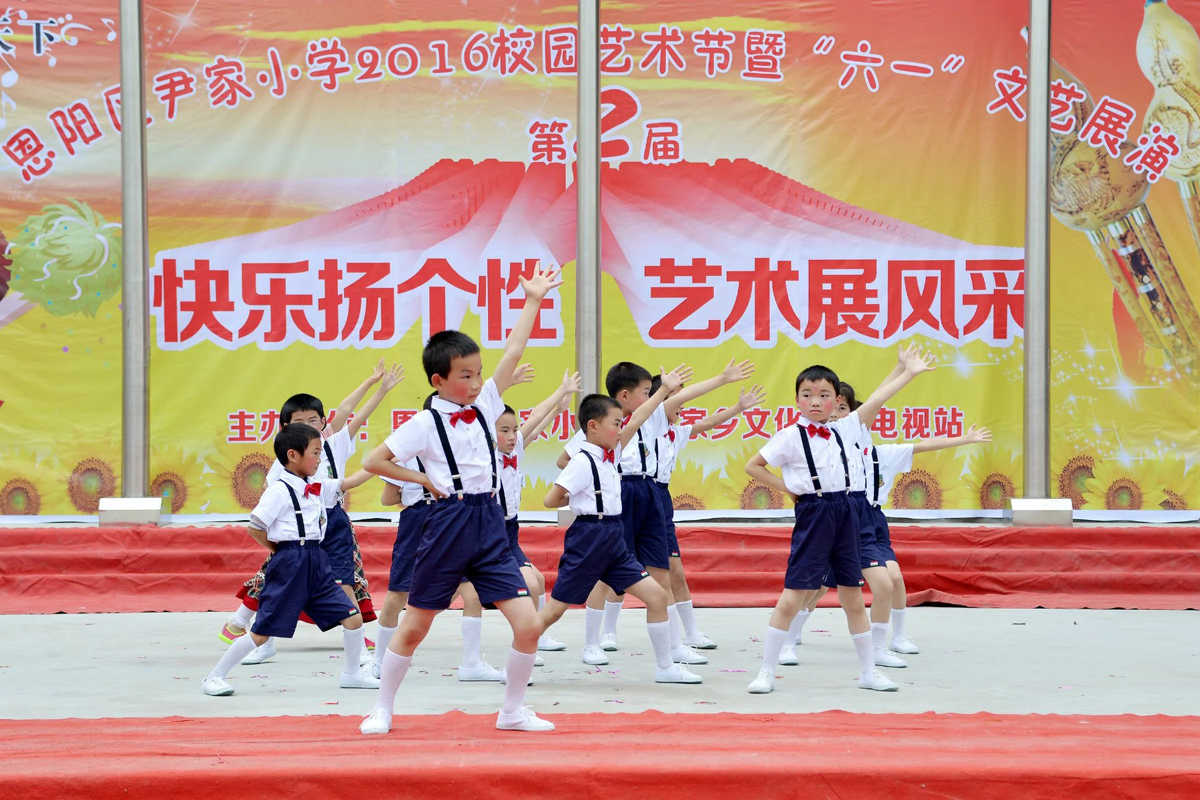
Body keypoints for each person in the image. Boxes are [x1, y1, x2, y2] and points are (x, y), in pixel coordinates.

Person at [359, 264, 560, 735]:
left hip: (489, 522)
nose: (475, 383)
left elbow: (514, 351)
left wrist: (533, 300)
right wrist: (423, 480)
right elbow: (373, 460)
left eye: (478, 374)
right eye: (465, 376)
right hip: (446, 525)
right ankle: (382, 707)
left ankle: (512, 711)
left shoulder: (486, 405)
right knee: (415, 626)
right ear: (438, 380)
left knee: (528, 624)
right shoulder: (424, 423)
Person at [744, 346, 933, 694]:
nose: (815, 401)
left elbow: (877, 399)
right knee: (794, 594)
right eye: (807, 394)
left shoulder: (846, 429)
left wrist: (908, 372)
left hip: (849, 512)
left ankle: (868, 672)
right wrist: (789, 489)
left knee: (853, 596)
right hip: (814, 514)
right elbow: (753, 466)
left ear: (836, 401)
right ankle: (766, 671)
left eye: (823, 395)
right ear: (797, 400)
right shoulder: (789, 436)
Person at [221, 361, 404, 665]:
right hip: (299, 528)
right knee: (278, 583)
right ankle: (262, 640)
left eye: (313, 420)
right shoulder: (286, 460)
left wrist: (378, 387)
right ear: (286, 428)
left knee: (345, 584)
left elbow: (352, 413)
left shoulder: (335, 444)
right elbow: (270, 503)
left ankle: (357, 654)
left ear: (323, 422)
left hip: (333, 523)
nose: (308, 426)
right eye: (299, 422)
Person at [202, 423, 379, 696]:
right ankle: (214, 676)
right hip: (290, 562)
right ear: (293, 455)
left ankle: (352, 673)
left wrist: (383, 462)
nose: (319, 460)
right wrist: (279, 550)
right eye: (315, 453)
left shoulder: (316, 486)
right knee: (261, 632)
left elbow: (349, 482)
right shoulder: (279, 490)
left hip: (317, 561)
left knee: (352, 618)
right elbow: (255, 526)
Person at [539, 387, 701, 684]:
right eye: (615, 423)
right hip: (589, 537)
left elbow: (638, 419)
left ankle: (665, 667)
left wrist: (663, 390)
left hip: (614, 536)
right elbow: (551, 500)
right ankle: (521, 650)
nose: (621, 428)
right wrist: (581, 497)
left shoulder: (611, 454)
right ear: (593, 426)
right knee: (555, 610)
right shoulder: (582, 461)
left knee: (656, 595)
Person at [650, 379, 767, 650]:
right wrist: (723, 378)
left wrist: (738, 408)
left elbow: (707, 423)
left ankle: (690, 634)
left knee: (675, 571)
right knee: (615, 573)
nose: (682, 404)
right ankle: (604, 635)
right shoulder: (645, 425)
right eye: (677, 398)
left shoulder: (674, 432)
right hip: (637, 498)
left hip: (660, 501)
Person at [494, 369, 583, 655]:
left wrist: (558, 408)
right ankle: (528, 637)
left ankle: (537, 635)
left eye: (514, 430)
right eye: (504, 430)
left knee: (540, 581)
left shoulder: (514, 451)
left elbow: (533, 427)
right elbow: (534, 421)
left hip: (510, 530)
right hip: (489, 531)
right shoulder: (486, 457)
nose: (512, 436)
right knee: (530, 584)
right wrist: (560, 392)